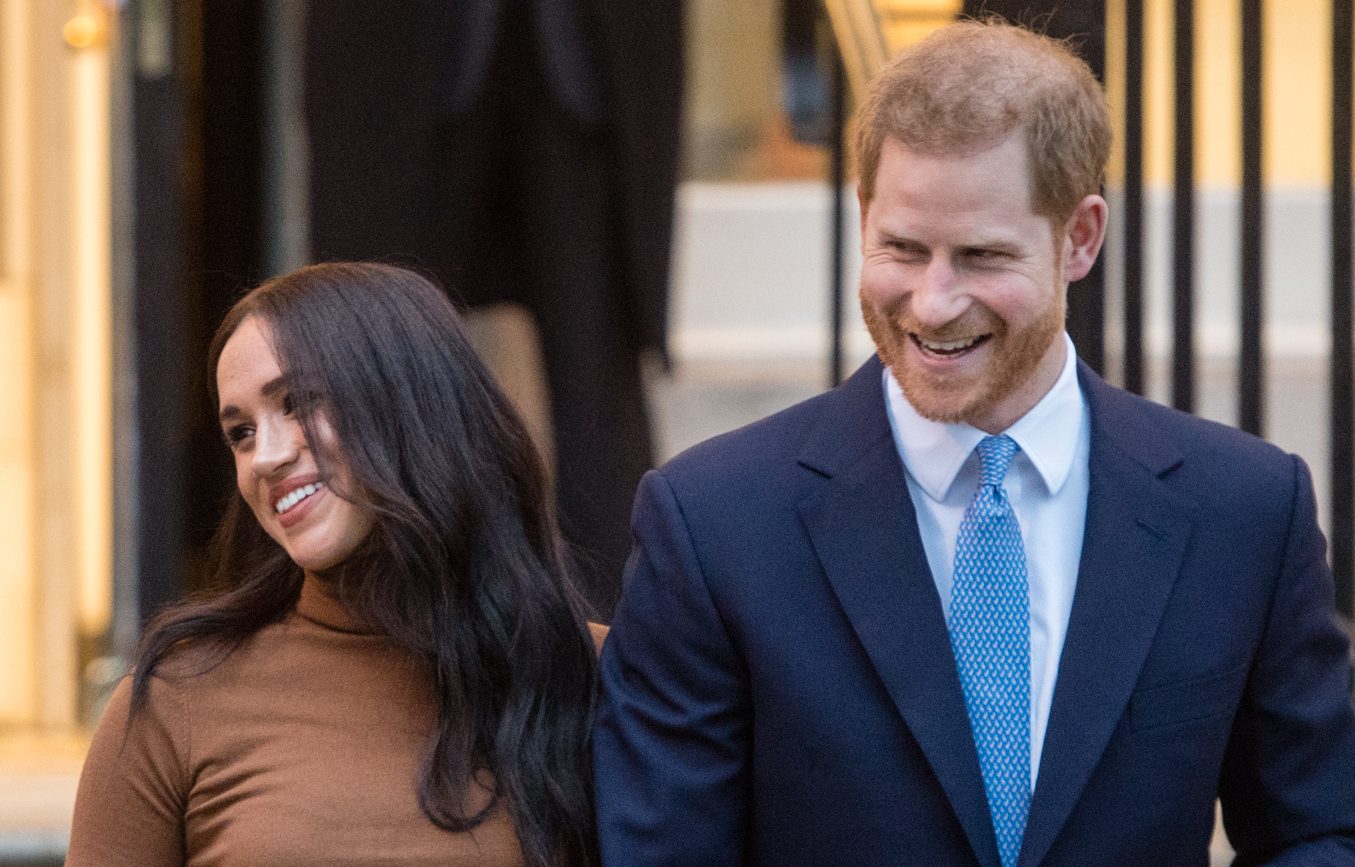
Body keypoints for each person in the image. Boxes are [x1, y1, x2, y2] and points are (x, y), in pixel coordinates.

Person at [594, 20, 1355, 866]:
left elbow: (1320, 829)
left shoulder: (1244, 511)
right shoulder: (713, 523)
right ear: (862, 216)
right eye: (901, 248)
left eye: (981, 255)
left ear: (1079, 238)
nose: (931, 302)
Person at [68, 263, 602, 866]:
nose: (264, 457)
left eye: (297, 403)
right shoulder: (177, 701)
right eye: (241, 433)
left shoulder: (594, 674)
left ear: (410, 401)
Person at [304, 0, 686, 616]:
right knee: (375, 358)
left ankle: (626, 632)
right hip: (397, 59)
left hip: (585, 63)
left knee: (598, 387)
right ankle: (374, 615)